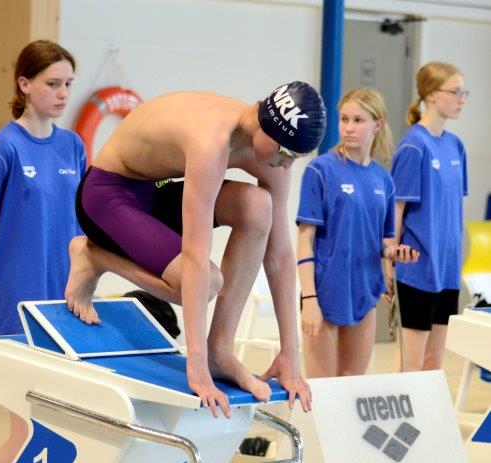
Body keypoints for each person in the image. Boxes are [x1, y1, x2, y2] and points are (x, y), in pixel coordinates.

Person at [66, 82, 327, 417]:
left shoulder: (268, 154)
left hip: (154, 193)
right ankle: (95, 257)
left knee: (259, 206)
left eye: (297, 158)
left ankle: (221, 349)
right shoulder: (211, 141)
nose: (287, 166)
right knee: (206, 283)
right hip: (106, 196)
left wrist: (290, 353)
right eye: (288, 154)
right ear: (270, 131)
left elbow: (279, 255)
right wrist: (196, 366)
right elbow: (194, 256)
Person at [0, 40, 85, 463]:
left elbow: (79, 226)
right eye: (52, 84)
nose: (63, 94)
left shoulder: (73, 147)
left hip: (66, 305)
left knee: (58, 431)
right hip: (19, 309)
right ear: (24, 84)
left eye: (68, 84)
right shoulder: (1, 150)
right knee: (28, 429)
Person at [296, 87, 419, 378]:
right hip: (325, 292)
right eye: (344, 119)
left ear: (377, 124)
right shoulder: (320, 170)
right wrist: (309, 300)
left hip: (365, 293)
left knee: (353, 386)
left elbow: (383, 242)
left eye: (358, 120)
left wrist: (395, 253)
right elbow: (304, 239)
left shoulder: (383, 181)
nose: (349, 128)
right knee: (323, 389)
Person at [390, 62, 468, 372]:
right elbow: (396, 209)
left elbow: (451, 209)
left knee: (434, 363)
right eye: (456, 91)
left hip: (447, 270)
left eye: (464, 92)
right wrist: (388, 263)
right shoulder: (414, 145)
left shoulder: (455, 146)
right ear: (432, 94)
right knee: (410, 364)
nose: (462, 99)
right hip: (417, 268)